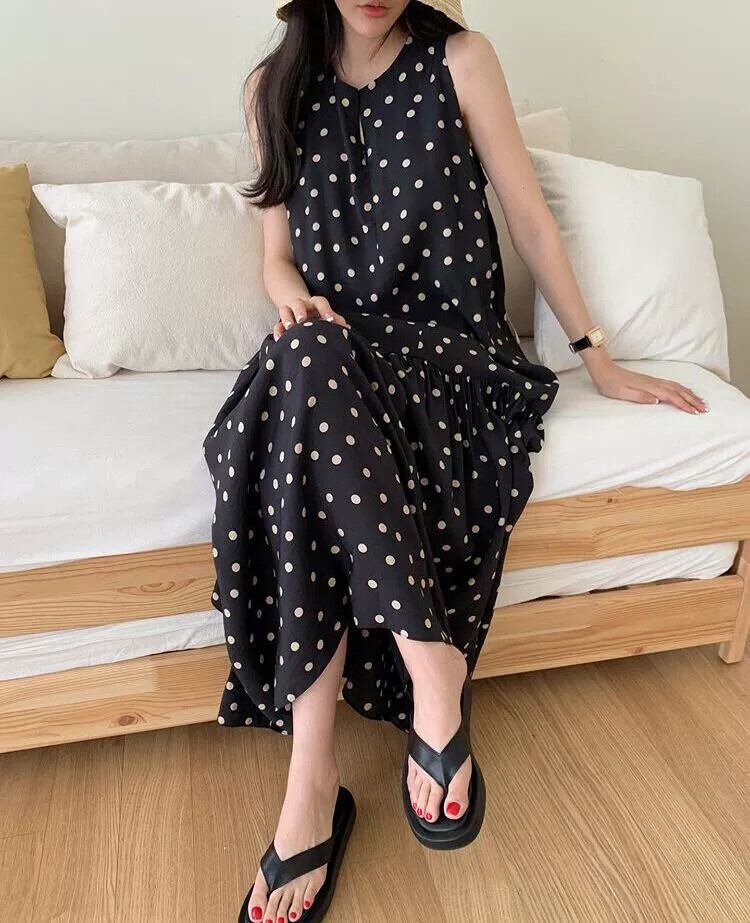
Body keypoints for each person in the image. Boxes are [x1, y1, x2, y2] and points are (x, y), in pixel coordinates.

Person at [202, 2, 709, 920]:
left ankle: (313, 791)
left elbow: (529, 220)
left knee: (304, 398)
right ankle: (428, 676)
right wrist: (297, 304)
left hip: (448, 360)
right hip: (334, 358)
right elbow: (275, 258)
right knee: (306, 363)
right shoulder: (271, 89)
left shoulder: (462, 60)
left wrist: (597, 355)